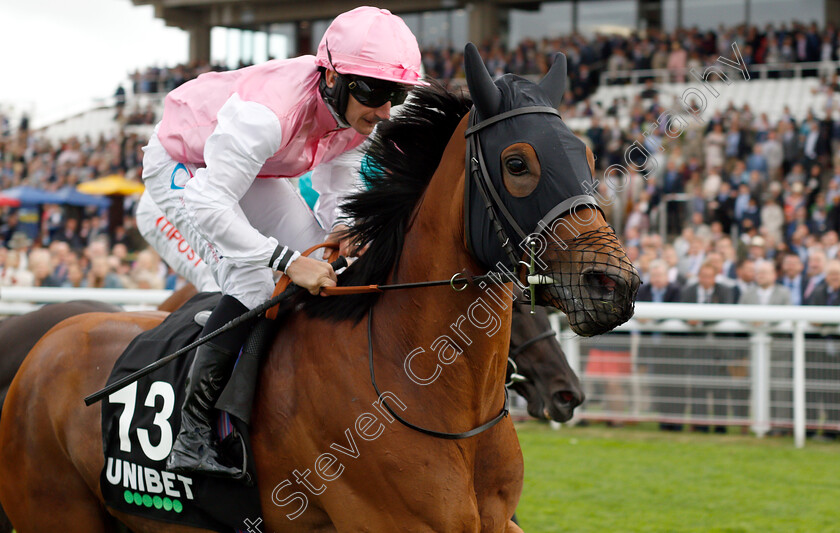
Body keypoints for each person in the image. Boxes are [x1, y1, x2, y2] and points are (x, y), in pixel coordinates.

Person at [135, 6, 427, 478]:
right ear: (331, 77)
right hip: (185, 167)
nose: (385, 109)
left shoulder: (358, 115)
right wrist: (287, 262)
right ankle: (191, 434)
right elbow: (209, 203)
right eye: (375, 92)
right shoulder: (267, 115)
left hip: (248, 170)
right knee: (252, 277)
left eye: (398, 93)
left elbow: (340, 181)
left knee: (324, 260)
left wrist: (338, 232)